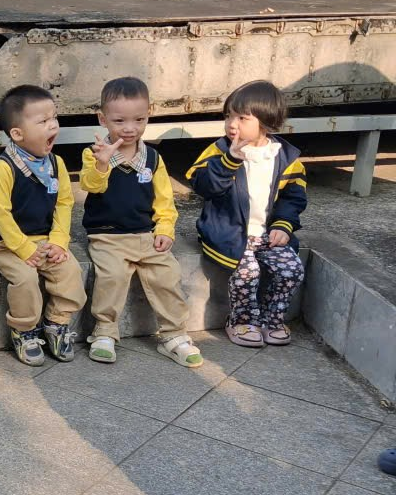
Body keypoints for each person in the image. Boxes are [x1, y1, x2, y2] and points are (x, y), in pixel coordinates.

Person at [80, 77, 203, 367]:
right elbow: (90, 185)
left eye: (139, 120)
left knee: (167, 274)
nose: (130, 128)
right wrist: (102, 163)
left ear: (148, 115)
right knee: (111, 276)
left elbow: (164, 200)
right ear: (102, 119)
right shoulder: (94, 153)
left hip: (146, 235)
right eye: (119, 120)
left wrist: (165, 230)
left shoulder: (153, 158)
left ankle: (174, 334)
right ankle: (105, 331)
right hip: (107, 236)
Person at [186, 80, 307, 347]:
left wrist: (283, 225)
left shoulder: (284, 157)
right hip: (227, 232)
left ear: (266, 120)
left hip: (267, 236)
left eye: (242, 118)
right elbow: (203, 186)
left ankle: (272, 319)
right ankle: (240, 321)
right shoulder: (219, 150)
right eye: (228, 116)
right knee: (247, 272)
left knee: (292, 270)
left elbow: (293, 197)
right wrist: (229, 162)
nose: (232, 124)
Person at [0, 85, 86, 366]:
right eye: (42, 121)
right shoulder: (3, 168)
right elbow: (0, 214)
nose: (53, 125)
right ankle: (24, 329)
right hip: (5, 244)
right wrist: (24, 248)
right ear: (17, 134)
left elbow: (64, 203)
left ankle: (57, 322)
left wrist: (59, 242)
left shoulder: (56, 163)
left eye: (54, 118)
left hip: (44, 239)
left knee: (70, 270)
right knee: (25, 278)